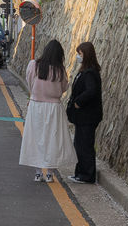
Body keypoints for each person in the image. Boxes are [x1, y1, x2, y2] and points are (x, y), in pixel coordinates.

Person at [19, 40, 76, 183]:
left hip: (36, 106)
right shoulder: (60, 70)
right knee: (52, 140)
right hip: (54, 108)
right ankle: (50, 173)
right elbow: (64, 87)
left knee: (36, 138)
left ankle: (38, 173)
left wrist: (35, 94)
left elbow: (29, 81)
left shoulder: (34, 65)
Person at [66, 42, 103, 184]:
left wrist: (78, 102)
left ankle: (87, 175)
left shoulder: (90, 73)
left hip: (88, 116)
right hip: (83, 117)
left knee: (85, 146)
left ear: (86, 55)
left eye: (80, 54)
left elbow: (91, 91)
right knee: (80, 145)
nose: (78, 57)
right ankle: (80, 173)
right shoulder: (87, 71)